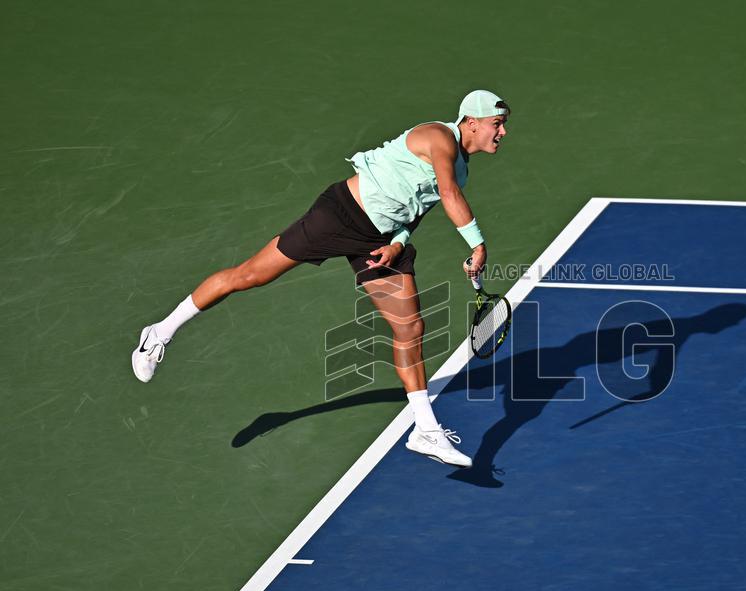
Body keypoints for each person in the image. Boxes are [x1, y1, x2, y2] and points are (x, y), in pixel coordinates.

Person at [131, 90, 511, 468]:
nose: (503, 132)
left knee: (410, 328)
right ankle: (160, 332)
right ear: (472, 122)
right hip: (340, 215)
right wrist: (477, 244)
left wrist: (398, 243)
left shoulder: (462, 168)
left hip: (377, 241)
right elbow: (446, 192)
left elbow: (416, 211)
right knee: (249, 275)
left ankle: (425, 430)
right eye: (497, 124)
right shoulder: (437, 136)